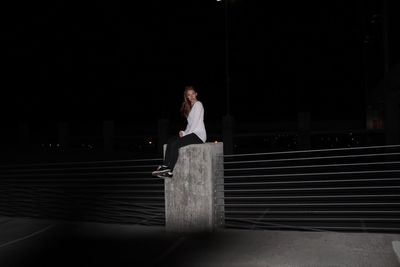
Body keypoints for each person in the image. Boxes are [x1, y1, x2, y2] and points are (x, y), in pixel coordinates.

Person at [152, 86, 207, 178]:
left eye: (193, 94)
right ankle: (165, 167)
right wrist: (184, 132)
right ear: (187, 97)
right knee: (170, 141)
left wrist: (186, 134)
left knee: (175, 144)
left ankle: (170, 170)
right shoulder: (190, 108)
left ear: (196, 94)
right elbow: (190, 125)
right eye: (189, 95)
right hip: (192, 133)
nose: (192, 96)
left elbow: (196, 123)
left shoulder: (198, 105)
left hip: (199, 135)